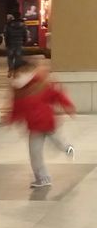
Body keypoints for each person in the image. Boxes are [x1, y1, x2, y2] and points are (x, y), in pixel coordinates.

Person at [8, 57, 75, 188]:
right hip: (34, 127)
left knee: (57, 142)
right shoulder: (18, 90)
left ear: (26, 70)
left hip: (47, 122)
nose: (17, 76)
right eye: (15, 73)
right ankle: (43, 178)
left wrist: (68, 106)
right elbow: (16, 108)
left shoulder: (42, 83)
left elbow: (57, 95)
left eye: (19, 72)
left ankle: (68, 149)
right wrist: (11, 120)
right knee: (35, 154)